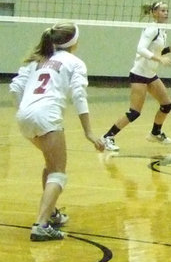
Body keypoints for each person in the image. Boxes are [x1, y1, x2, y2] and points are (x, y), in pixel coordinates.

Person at [9, 22, 106, 241]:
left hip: (23, 116)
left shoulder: (38, 59)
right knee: (58, 172)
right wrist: (89, 132)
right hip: (46, 116)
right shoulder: (75, 63)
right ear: (74, 42)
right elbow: (79, 95)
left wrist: (25, 110)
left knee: (50, 164)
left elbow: (14, 88)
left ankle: (51, 213)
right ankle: (41, 225)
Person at [102, 1, 171, 151]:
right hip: (139, 74)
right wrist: (159, 59)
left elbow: (157, 51)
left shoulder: (162, 31)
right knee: (135, 112)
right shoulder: (151, 29)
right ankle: (107, 137)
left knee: (167, 104)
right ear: (154, 13)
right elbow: (141, 49)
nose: (166, 13)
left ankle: (155, 133)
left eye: (167, 10)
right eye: (162, 10)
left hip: (150, 74)